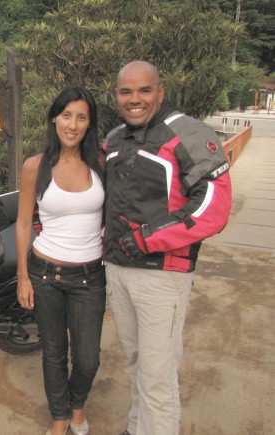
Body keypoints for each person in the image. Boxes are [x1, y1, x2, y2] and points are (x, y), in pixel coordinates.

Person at [102, 61, 232, 435]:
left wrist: (147, 238)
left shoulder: (189, 133)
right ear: (116, 96)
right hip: (118, 269)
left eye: (144, 90)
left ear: (160, 92)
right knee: (134, 362)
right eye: (126, 91)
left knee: (157, 375)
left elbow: (213, 208)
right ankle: (135, 427)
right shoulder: (114, 139)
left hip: (163, 274)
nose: (135, 99)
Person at [16, 85, 106, 435]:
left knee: (87, 358)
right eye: (66, 115)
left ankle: (77, 405)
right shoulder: (35, 167)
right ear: (54, 118)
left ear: (89, 123)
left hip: (89, 277)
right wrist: (23, 277)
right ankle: (59, 417)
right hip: (45, 274)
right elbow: (24, 224)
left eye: (81, 117)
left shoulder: (100, 164)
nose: (73, 124)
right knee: (53, 352)